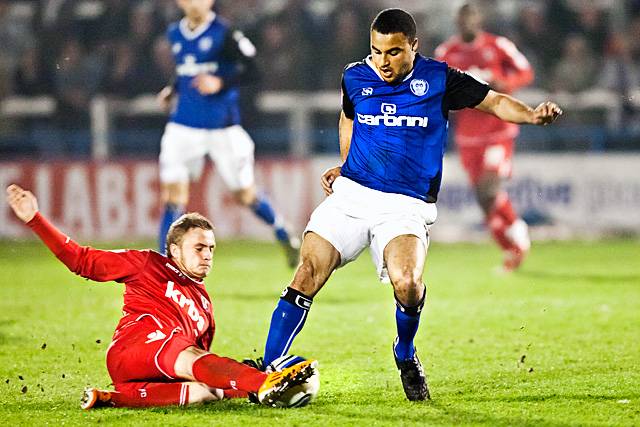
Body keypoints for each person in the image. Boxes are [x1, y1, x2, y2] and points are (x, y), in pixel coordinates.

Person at [259, 8, 561, 401]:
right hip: (353, 195)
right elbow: (348, 117)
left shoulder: (439, 78)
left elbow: (495, 101)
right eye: (377, 51)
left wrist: (533, 116)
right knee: (306, 274)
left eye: (394, 52)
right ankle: (267, 370)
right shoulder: (355, 75)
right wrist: (346, 163)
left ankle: (404, 352)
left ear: (413, 47)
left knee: (409, 284)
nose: (383, 62)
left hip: (405, 204)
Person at [5, 184, 317, 409]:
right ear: (174, 250)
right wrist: (35, 219)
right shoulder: (147, 263)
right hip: (133, 348)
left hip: (150, 375)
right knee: (191, 358)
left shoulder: (204, 307)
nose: (207, 255)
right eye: (199, 248)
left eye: (211, 248)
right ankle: (265, 384)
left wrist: (232, 376)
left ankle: (110, 398)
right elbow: (82, 261)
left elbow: (202, 368)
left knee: (205, 393)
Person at [156, 0, 299, 266]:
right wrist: (173, 90)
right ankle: (164, 268)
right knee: (173, 196)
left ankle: (282, 230)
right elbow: (188, 70)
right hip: (183, 126)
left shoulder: (226, 33)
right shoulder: (175, 33)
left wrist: (220, 82)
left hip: (223, 128)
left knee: (245, 195)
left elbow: (254, 70)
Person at [435, 2, 535, 271]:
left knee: (488, 189)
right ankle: (511, 246)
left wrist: (503, 81)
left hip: (497, 131)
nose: (467, 23)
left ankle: (516, 229)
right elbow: (436, 88)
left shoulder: (499, 45)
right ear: (457, 23)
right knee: (484, 200)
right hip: (467, 137)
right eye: (462, 19)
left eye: (472, 18)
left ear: (479, 20)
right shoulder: (446, 52)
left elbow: (525, 71)